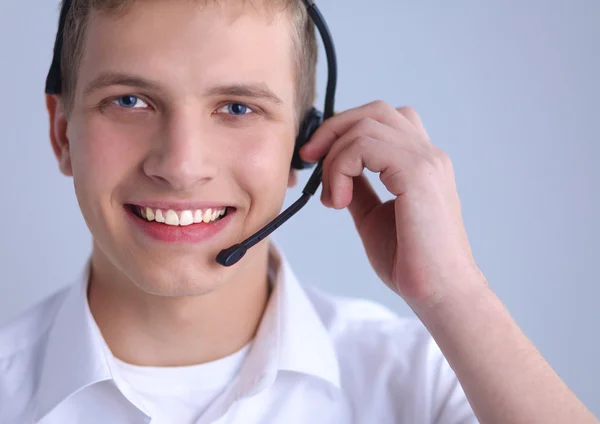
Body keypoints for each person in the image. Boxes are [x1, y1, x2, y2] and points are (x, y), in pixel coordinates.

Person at [0, 0, 597, 423]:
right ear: (61, 134)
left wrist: (456, 294)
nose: (180, 166)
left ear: (303, 145)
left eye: (236, 108)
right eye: (129, 101)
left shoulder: (422, 382)